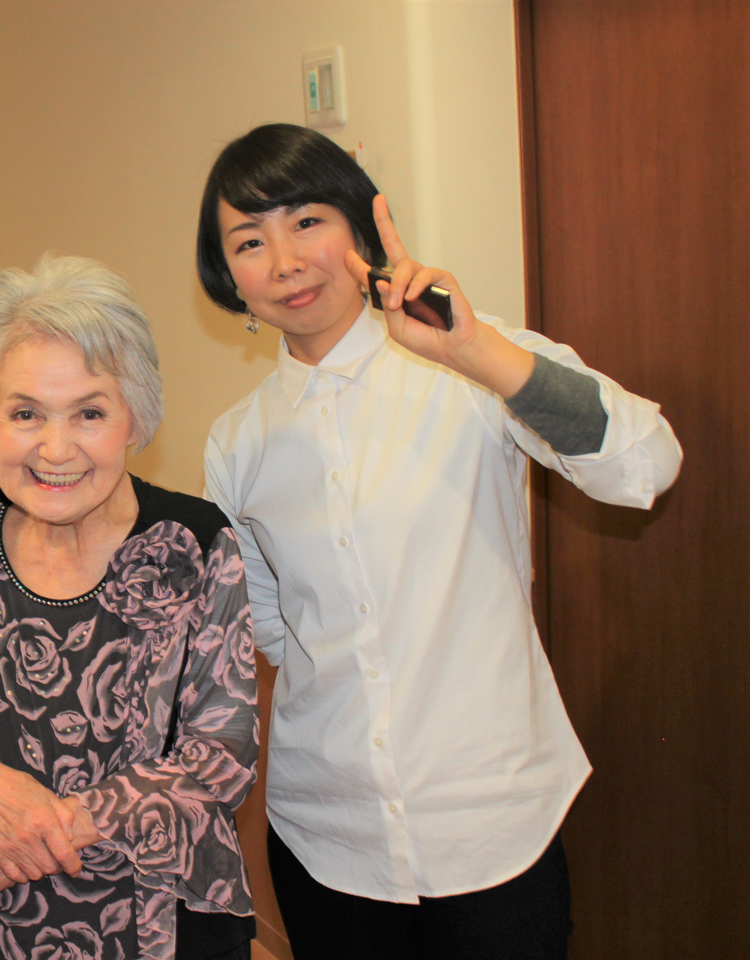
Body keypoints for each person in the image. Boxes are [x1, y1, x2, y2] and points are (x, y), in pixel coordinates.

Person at [198, 123, 683, 960]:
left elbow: (646, 463)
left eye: (307, 221)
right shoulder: (237, 442)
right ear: (228, 276)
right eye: (249, 241)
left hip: (492, 824)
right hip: (327, 835)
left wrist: (477, 351)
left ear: (360, 227)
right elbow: (273, 626)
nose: (284, 262)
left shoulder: (470, 364)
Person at [0, 255, 260, 960]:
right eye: (25, 413)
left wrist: (36, 832)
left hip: (151, 910)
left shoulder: (192, 543)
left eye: (89, 413)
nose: (55, 449)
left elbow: (223, 749)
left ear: (134, 418)